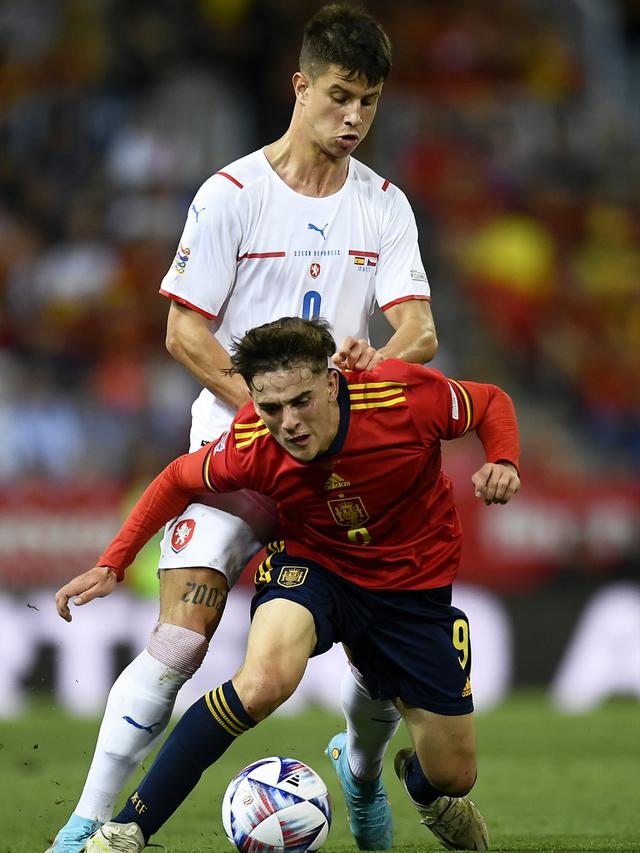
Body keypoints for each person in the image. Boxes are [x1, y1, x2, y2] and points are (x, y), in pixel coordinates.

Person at [46, 6, 439, 853]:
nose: (354, 119)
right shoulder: (231, 196)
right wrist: (268, 411)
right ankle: (84, 824)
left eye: (369, 102)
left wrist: (382, 358)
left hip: (338, 461)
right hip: (235, 453)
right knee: (179, 640)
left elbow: (421, 331)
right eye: (340, 96)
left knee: (376, 656)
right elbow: (185, 331)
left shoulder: (385, 206)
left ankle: (363, 773)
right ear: (300, 87)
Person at [63, 316, 521, 852]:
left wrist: (503, 460)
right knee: (262, 682)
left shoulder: (400, 397)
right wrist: (112, 563)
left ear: (331, 382)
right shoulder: (253, 441)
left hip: (410, 586)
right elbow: (176, 478)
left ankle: (420, 788)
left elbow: (490, 403)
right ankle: (126, 830)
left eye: (300, 400)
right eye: (271, 407)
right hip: (315, 565)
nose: (289, 423)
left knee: (453, 774)